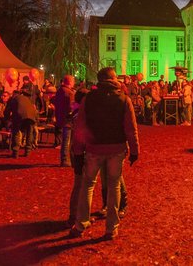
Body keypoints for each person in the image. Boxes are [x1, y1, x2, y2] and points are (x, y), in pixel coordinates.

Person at [69, 67, 139, 240]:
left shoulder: (89, 99)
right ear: (113, 79)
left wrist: (78, 150)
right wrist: (135, 150)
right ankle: (111, 228)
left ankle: (81, 223)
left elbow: (80, 127)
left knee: (88, 185)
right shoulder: (123, 99)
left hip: (94, 148)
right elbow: (130, 127)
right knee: (114, 185)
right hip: (116, 148)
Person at [3, 89, 38, 158]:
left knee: (16, 132)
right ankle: (28, 151)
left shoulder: (12, 99)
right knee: (29, 133)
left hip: (20, 115)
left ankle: (15, 152)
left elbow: (6, 111)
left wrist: (7, 119)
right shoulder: (26, 98)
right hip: (32, 116)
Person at [52, 75, 77, 166]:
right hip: (68, 120)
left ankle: (65, 159)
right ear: (70, 82)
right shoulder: (69, 93)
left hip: (61, 117)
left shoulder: (59, 91)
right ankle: (65, 160)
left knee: (65, 140)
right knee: (67, 140)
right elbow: (71, 107)